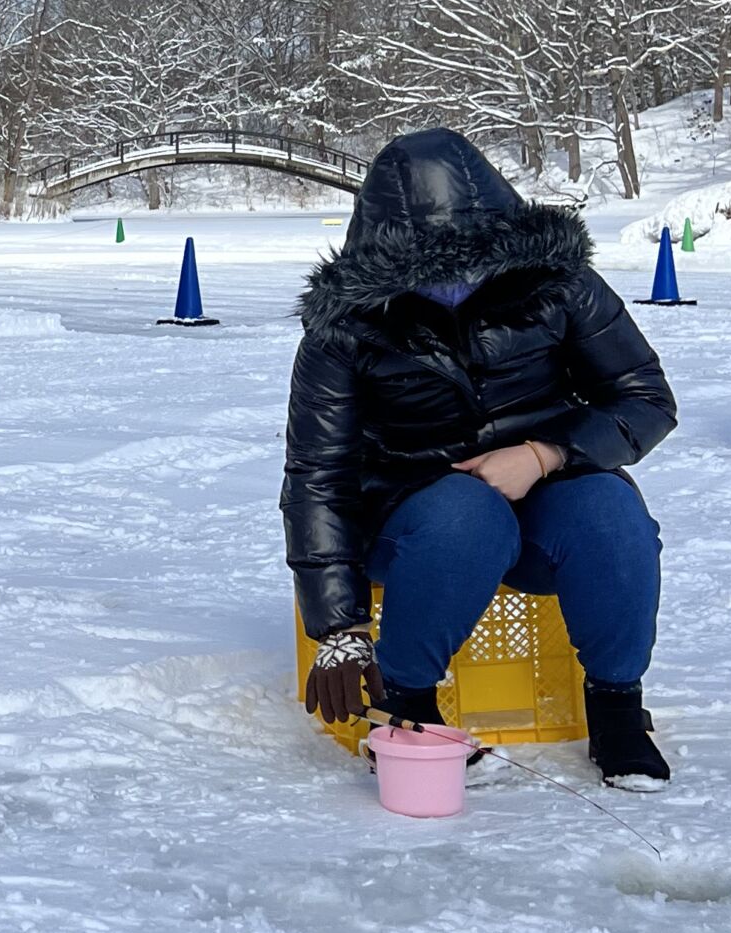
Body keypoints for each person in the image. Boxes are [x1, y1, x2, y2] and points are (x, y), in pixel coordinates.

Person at [282, 128, 679, 789]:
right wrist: (340, 624)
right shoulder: (346, 329)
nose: (456, 279)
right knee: (468, 514)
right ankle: (405, 708)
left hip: (550, 489)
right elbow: (316, 477)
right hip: (414, 522)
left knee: (610, 509)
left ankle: (617, 706)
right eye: (428, 266)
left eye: (471, 258)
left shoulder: (561, 286)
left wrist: (544, 453)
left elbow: (643, 399)